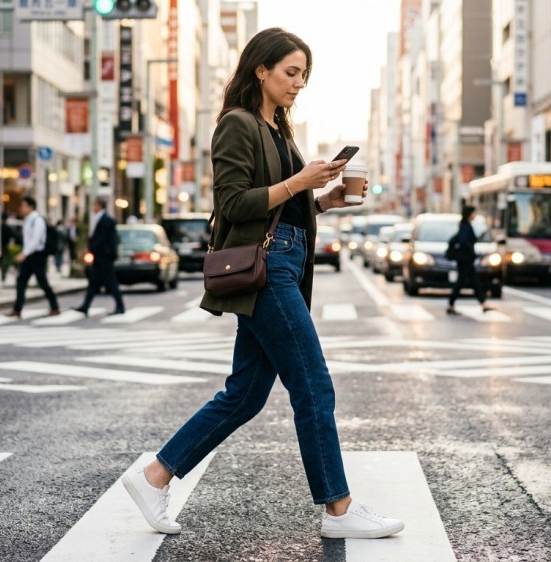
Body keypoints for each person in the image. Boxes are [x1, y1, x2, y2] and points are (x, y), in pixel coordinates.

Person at [120, 28, 403, 540]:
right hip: (267, 268)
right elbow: (232, 204)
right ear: (261, 70)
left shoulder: (279, 129)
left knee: (246, 394)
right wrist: (300, 181)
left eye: (304, 76)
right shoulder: (237, 124)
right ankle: (339, 510)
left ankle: (155, 475)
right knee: (313, 384)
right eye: (291, 73)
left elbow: (278, 207)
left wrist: (323, 200)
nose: (299, 84)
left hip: (286, 261)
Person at [5, 197, 60, 318]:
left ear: (31, 207)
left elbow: (35, 240)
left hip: (37, 255)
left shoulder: (37, 220)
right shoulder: (27, 220)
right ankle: (17, 309)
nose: (21, 208)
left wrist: (24, 253)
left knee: (42, 282)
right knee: (21, 281)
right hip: (30, 255)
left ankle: (55, 307)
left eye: (24, 206)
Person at [73, 198, 125, 316]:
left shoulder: (106, 220)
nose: (93, 208)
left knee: (111, 282)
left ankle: (120, 306)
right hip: (100, 256)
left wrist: (90, 249)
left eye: (94, 205)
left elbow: (102, 239)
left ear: (99, 205)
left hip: (104, 256)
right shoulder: (100, 219)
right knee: (93, 282)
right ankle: (86, 306)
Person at [446, 206, 494, 316]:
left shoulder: (464, 225)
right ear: (469, 214)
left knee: (474, 281)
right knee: (463, 282)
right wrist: (471, 253)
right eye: (473, 213)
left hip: (465, 259)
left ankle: (483, 303)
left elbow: (456, 239)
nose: (475, 215)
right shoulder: (465, 226)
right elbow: (463, 241)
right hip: (465, 260)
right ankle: (451, 304)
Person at [0, 212, 17, 284]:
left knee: (3, 261)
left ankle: (3, 274)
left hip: (0, 246)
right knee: (6, 261)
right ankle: (3, 273)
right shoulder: (7, 228)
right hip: (5, 246)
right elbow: (14, 236)